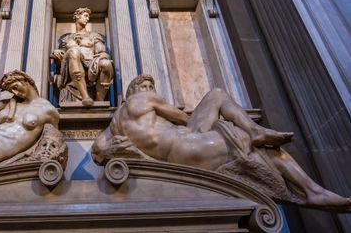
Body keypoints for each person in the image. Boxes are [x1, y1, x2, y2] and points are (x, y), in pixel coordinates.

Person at [93, 74, 351, 209]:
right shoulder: (147, 99)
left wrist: (125, 147)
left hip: (181, 150)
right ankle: (313, 191)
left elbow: (98, 152)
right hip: (191, 145)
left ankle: (252, 131)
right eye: (147, 84)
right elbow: (182, 118)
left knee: (220, 100)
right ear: (137, 89)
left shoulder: (114, 124)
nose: (150, 87)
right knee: (257, 146)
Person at [51, 7, 114, 106]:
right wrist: (57, 53)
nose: (87, 19)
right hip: (72, 66)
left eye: (88, 17)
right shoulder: (67, 39)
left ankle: (99, 101)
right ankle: (85, 96)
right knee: (73, 51)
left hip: (92, 66)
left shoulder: (94, 36)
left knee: (106, 64)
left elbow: (101, 51)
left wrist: (102, 54)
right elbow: (62, 62)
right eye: (85, 16)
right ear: (77, 16)